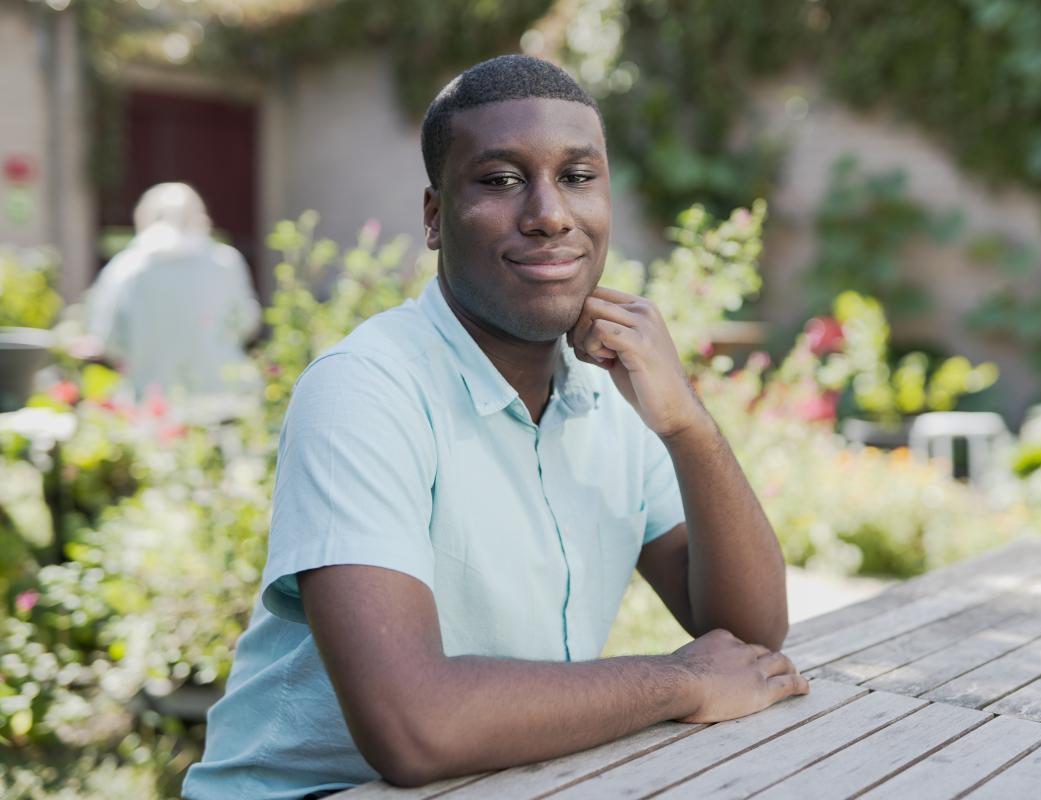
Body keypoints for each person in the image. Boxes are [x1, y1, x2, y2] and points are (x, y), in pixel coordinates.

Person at [183, 55, 805, 800]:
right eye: (501, 179)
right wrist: (679, 681)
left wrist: (688, 425)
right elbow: (414, 728)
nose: (549, 213)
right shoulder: (366, 391)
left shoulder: (614, 393)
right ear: (435, 217)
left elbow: (747, 639)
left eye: (578, 177)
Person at [86, 182, 261, 403]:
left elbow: (107, 337)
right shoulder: (225, 262)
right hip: (223, 394)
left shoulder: (125, 268)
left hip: (153, 399)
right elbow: (247, 322)